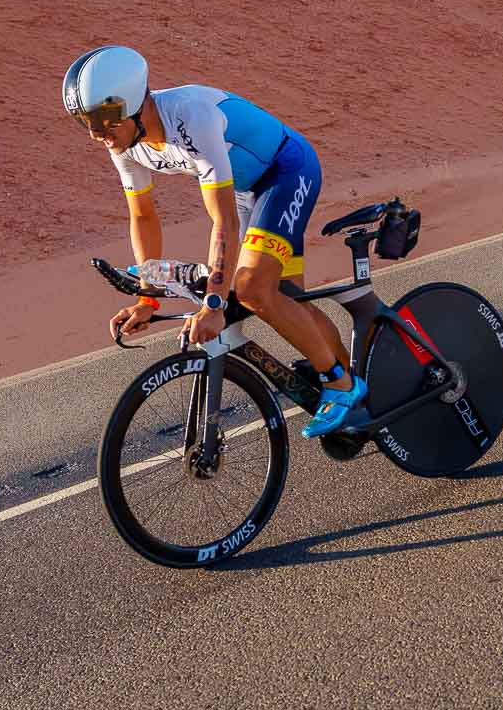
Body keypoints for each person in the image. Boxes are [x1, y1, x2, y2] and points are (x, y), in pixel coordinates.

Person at [63, 45, 367, 438]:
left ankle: (341, 385)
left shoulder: (192, 117)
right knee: (284, 297)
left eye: (103, 120)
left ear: (134, 103)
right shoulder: (125, 143)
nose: (96, 134)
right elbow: (143, 216)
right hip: (247, 190)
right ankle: (354, 384)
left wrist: (213, 303)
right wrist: (147, 297)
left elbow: (222, 221)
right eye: (85, 122)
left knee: (253, 290)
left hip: (286, 170)